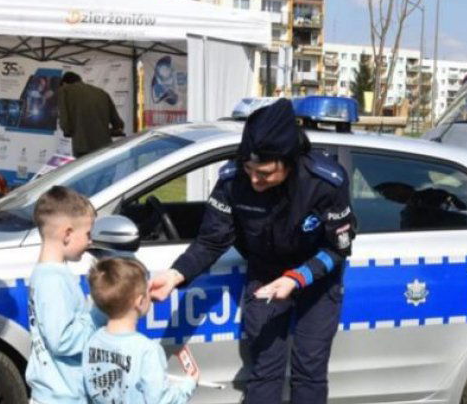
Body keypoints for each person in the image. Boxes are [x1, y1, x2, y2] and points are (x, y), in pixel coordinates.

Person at [148, 99, 356, 404]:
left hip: (317, 279)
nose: (255, 180)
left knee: (308, 369)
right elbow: (211, 240)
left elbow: (338, 249)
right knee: (265, 369)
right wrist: (176, 274)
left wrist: (297, 278)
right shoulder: (234, 181)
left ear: (289, 161)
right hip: (266, 276)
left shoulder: (325, 182)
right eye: (250, 169)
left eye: (266, 173)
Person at [84, 257, 198, 404]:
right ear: (139, 302)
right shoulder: (148, 350)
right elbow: (162, 401)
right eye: (147, 290)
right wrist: (189, 383)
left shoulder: (92, 340)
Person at [25, 186, 101, 403]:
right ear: (67, 234)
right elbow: (63, 341)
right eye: (87, 233)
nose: (90, 241)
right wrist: (98, 314)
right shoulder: (53, 281)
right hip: (63, 396)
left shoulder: (48, 274)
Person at [56, 71, 125, 158]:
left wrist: (68, 131)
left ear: (65, 83)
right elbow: (118, 123)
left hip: (83, 146)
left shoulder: (64, 91)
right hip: (105, 145)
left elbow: (64, 121)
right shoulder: (102, 92)